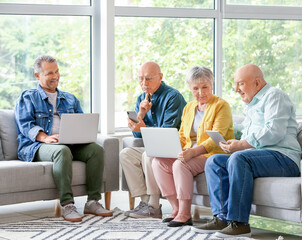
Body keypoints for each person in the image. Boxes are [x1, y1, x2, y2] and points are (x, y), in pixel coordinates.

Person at [191, 64, 302, 238]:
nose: (236, 90)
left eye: (240, 84)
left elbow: (274, 131)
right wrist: (227, 135)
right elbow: (246, 132)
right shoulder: (251, 105)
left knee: (239, 158)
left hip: (284, 158)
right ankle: (222, 218)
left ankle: (239, 223)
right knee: (214, 162)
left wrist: (242, 145)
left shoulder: (275, 96)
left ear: (257, 83)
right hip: (259, 156)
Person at [14, 55, 112, 222]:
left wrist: (82, 135)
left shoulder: (70, 98)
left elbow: (81, 122)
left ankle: (93, 202)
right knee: (62, 151)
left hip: (69, 143)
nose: (55, 76)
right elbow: (25, 125)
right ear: (37, 76)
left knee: (96, 150)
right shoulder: (28, 97)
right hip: (36, 146)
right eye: (50, 73)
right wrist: (44, 137)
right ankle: (67, 204)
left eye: (57, 71)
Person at [151, 66, 235, 227]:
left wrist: (192, 153)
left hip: (213, 154)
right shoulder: (189, 107)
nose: (200, 92)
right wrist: (175, 149)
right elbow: (183, 135)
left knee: (180, 164)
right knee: (158, 162)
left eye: (205, 87)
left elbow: (215, 139)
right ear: (190, 87)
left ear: (212, 85)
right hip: (191, 152)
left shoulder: (221, 105)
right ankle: (175, 209)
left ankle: (184, 214)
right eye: (195, 88)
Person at [120, 61, 186, 218]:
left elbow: (166, 135)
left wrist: (143, 127)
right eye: (140, 79)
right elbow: (139, 137)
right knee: (126, 154)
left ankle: (154, 205)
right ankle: (145, 202)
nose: (144, 83)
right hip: (154, 146)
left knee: (148, 154)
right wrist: (140, 116)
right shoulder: (141, 98)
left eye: (148, 79)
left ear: (160, 77)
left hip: (174, 147)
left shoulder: (173, 97)